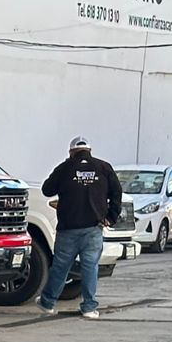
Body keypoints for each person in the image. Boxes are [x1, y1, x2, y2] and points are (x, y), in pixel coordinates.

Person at [38, 135, 123, 319]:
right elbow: (117, 192)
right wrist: (111, 217)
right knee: (90, 268)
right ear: (89, 151)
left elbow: (47, 190)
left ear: (71, 152)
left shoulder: (64, 168)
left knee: (61, 267)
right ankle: (89, 308)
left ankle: (47, 303)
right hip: (94, 228)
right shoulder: (103, 167)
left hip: (68, 228)